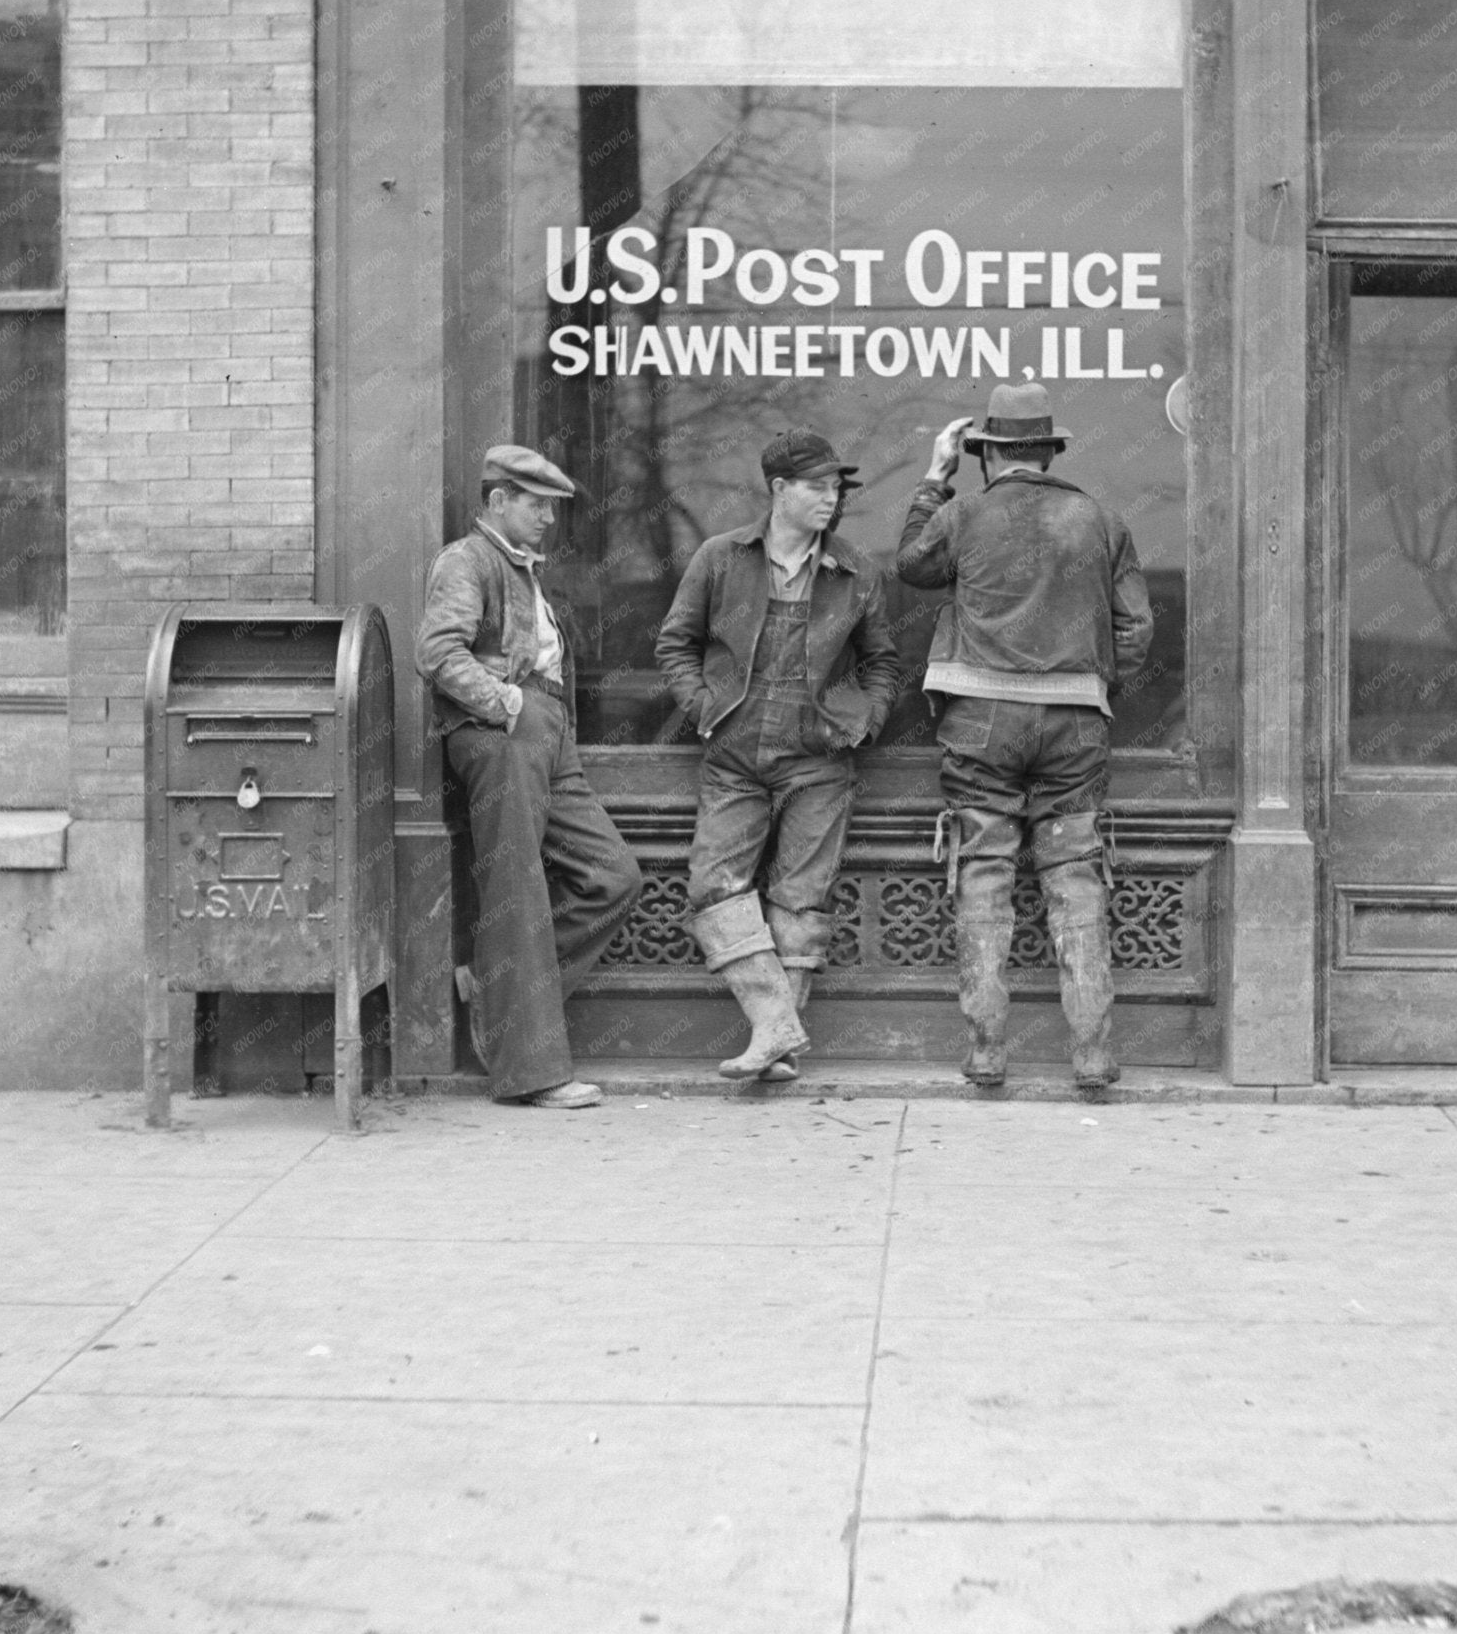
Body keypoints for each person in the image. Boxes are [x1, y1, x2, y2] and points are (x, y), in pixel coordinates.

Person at [895, 383, 1153, 1091]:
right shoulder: (1101, 519)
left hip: (979, 723)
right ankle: (1093, 1055)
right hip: (1074, 722)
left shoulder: (964, 512)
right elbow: (1136, 628)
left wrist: (933, 478)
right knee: (1074, 879)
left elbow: (912, 568)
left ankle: (986, 1049)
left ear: (990, 454)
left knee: (984, 874)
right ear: (1048, 449)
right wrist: (1101, 690)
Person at [656, 431, 902, 1080]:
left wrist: (861, 722)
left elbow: (882, 664)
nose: (832, 497)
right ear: (779, 490)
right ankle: (777, 1027)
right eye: (818, 486)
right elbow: (675, 644)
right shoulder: (720, 558)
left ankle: (774, 1044)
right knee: (714, 886)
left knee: (800, 898)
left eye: (837, 487)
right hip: (734, 749)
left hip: (818, 755)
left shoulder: (854, 571)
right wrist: (704, 706)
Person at [414, 443, 642, 1110]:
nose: (548, 518)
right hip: (503, 733)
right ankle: (530, 1073)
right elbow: (437, 652)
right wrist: (505, 704)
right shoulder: (468, 560)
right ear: (498, 502)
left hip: (546, 734)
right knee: (517, 890)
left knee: (613, 877)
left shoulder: (520, 568)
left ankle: (494, 988)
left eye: (552, 506)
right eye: (536, 505)